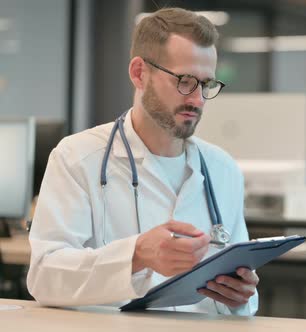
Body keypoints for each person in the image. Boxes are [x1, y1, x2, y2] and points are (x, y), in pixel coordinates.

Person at [27, 8, 258, 315]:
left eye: (206, 84)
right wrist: (135, 255)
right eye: (185, 80)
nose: (197, 99)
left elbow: (244, 296)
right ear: (139, 73)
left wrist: (242, 296)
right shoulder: (77, 158)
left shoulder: (222, 169)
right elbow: (45, 276)